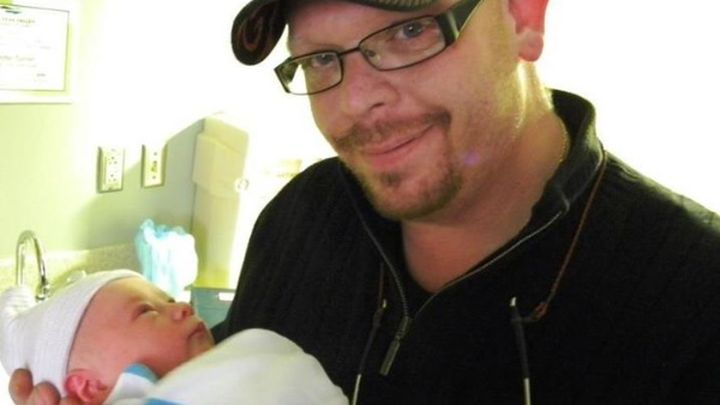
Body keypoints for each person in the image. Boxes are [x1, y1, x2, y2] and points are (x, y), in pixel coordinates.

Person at [11, 0, 720, 403]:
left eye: (409, 29)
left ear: (523, 17)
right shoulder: (300, 219)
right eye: (322, 59)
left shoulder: (691, 294)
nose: (357, 103)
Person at [1, 270, 347, 405]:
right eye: (146, 312)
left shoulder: (243, 361)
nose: (182, 306)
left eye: (169, 299)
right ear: (88, 387)